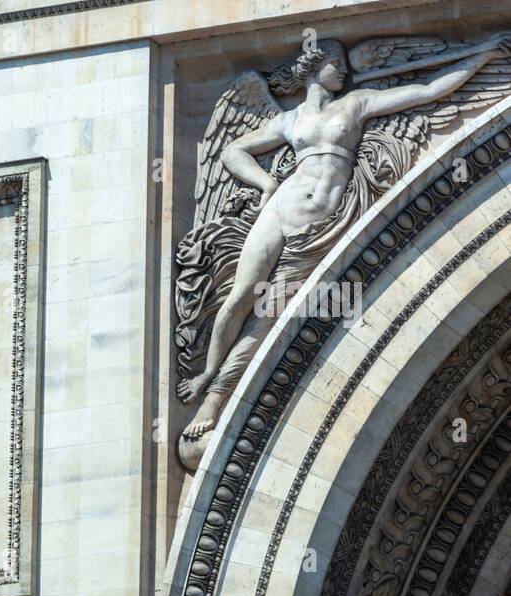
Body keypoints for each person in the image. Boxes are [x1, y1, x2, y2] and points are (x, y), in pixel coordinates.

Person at [178, 33, 511, 443]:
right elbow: (234, 152)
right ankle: (208, 373)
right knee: (239, 296)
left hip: (318, 228)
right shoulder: (289, 119)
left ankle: (214, 399)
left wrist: (481, 53)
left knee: (267, 314)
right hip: (279, 209)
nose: (347, 70)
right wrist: (265, 184)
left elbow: (428, 90)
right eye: (338, 62)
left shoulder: (356, 103)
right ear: (315, 66)